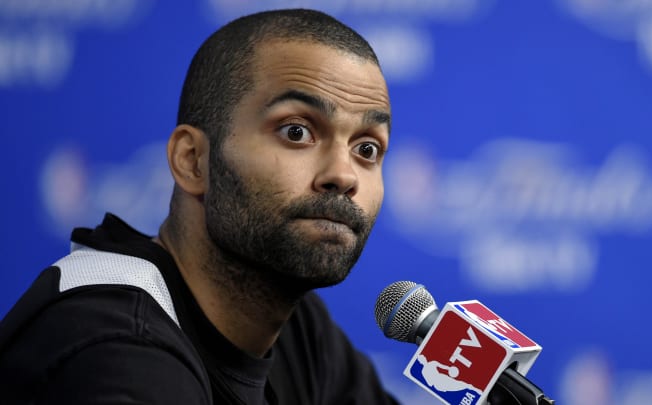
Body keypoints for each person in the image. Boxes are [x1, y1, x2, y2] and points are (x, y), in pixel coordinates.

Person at [0, 8, 398, 405]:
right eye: (297, 132)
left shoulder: (300, 331)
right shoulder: (115, 344)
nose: (344, 176)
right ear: (192, 160)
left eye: (367, 148)